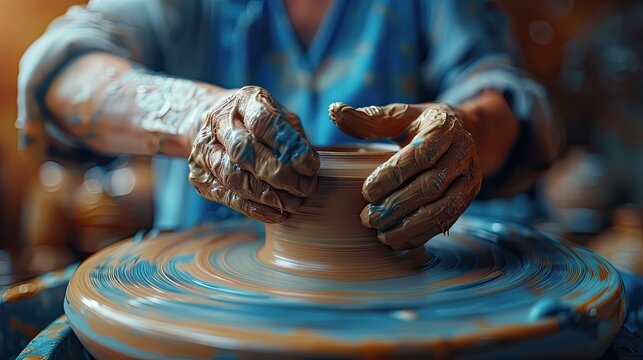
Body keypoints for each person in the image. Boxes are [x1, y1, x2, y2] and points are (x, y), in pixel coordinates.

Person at [17, 0, 561, 251]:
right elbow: (60, 72)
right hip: (206, 315)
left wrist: (466, 127)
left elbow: (505, 96)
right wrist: (193, 115)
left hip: (398, 313)